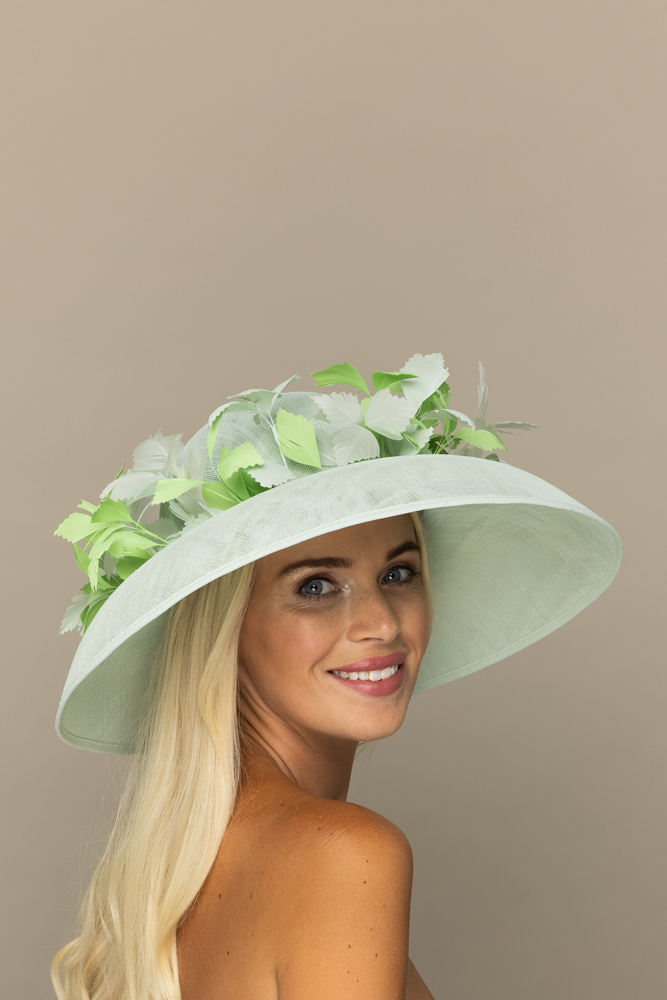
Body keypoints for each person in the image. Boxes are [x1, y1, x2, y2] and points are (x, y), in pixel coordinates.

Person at [51, 354, 622, 999]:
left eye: (398, 574)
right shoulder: (343, 856)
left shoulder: (184, 875)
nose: (382, 622)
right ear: (226, 629)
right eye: (316, 586)